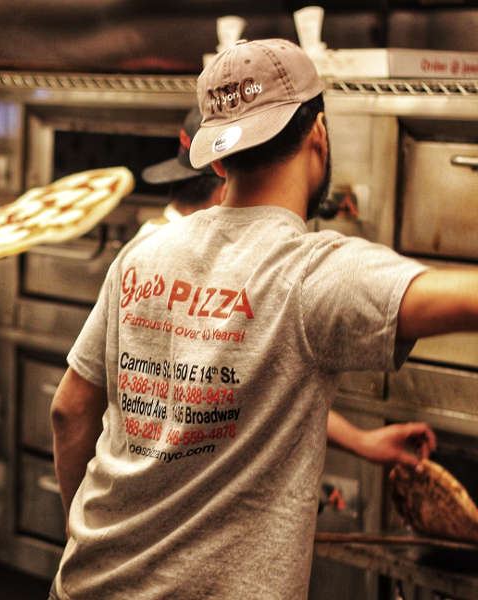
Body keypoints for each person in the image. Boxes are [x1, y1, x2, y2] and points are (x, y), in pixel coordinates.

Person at [49, 38, 477, 600]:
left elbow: (69, 410)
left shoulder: (143, 256)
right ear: (318, 134)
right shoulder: (311, 273)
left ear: (219, 157)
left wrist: (94, 538)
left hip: (86, 584)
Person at [140, 106, 436, 467]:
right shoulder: (210, 264)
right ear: (224, 187)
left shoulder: (142, 248)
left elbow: (241, 393)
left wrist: (360, 440)